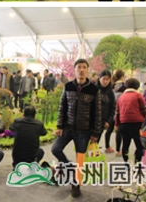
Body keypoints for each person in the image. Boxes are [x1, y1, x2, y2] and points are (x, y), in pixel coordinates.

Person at [51, 58, 102, 198]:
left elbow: (97, 113)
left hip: (84, 132)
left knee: (80, 159)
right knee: (55, 149)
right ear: (74, 70)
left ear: (87, 70)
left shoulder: (94, 90)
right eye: (79, 67)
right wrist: (59, 126)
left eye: (84, 67)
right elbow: (62, 107)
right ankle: (70, 167)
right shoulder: (68, 86)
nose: (81, 70)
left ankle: (76, 185)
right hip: (67, 128)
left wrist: (96, 132)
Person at [115, 78, 146, 163]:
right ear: (137, 87)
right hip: (137, 124)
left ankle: (126, 163)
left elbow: (117, 113)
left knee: (125, 144)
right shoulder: (138, 96)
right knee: (139, 145)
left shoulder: (121, 97)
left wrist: (117, 124)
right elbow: (144, 110)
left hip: (124, 123)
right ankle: (137, 163)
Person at [96, 70, 116, 154]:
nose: (105, 81)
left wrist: (109, 120)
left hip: (103, 120)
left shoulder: (110, 92)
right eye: (104, 79)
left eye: (107, 79)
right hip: (93, 120)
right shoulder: (94, 89)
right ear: (99, 78)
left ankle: (93, 155)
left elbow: (112, 108)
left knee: (97, 139)